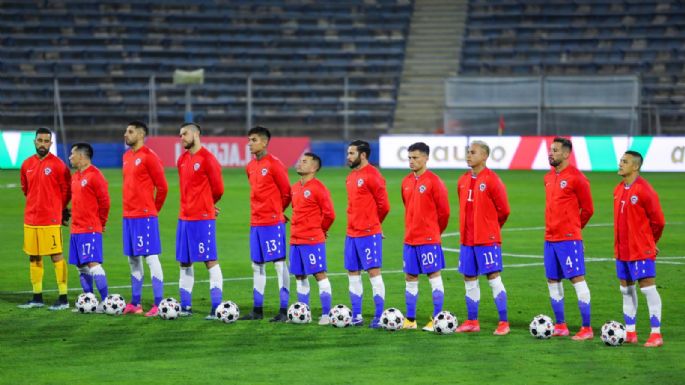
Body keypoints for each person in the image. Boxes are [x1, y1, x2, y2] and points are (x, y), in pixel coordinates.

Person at [455, 141, 511, 335]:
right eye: (468, 152)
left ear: (485, 156)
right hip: (467, 240)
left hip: (486, 239)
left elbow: (504, 210)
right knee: (469, 278)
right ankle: (472, 321)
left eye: (473, 152)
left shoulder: (493, 179)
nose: (468, 155)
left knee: (493, 277)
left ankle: (504, 323)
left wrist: (492, 229)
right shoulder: (462, 180)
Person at [544, 137, 595, 340]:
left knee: (576, 278)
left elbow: (588, 209)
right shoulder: (548, 178)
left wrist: (574, 230)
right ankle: (560, 325)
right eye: (550, 150)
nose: (551, 153)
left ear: (566, 154)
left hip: (568, 239)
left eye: (555, 150)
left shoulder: (577, 178)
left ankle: (587, 328)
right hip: (550, 238)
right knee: (552, 280)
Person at [613, 150, 665, 347]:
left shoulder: (644, 190)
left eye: (625, 162)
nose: (620, 164)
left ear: (635, 166)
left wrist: (651, 243)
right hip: (622, 250)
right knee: (626, 290)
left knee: (648, 289)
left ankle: (655, 334)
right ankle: (630, 332)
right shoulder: (618, 189)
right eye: (620, 161)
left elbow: (659, 221)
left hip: (641, 250)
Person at [240, 126, 292, 322]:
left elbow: (287, 192)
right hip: (256, 223)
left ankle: (284, 310)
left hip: (272, 223)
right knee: (257, 266)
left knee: (279, 265)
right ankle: (257, 310)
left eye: (253, 140)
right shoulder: (250, 166)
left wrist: (278, 212)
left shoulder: (275, 164)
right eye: (249, 140)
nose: (249, 144)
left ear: (264, 142)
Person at [176, 122, 225, 320]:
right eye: (180, 135)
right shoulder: (182, 160)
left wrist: (207, 204)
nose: (181, 138)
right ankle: (185, 306)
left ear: (196, 134)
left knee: (209, 260)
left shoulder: (208, 159)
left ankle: (216, 307)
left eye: (184, 134)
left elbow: (219, 189)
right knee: (185, 262)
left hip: (202, 219)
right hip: (184, 219)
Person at [18, 127, 71, 310]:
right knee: (34, 257)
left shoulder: (58, 165)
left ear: (51, 143)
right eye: (39, 140)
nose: (42, 144)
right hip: (31, 218)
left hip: (51, 219)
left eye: (46, 141)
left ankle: (63, 298)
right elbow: (26, 189)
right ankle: (37, 297)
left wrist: (59, 209)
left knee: (56, 256)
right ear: (34, 142)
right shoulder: (26, 165)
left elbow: (66, 191)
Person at [400, 142, 450, 331]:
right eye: (409, 158)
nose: (411, 161)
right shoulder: (406, 182)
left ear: (426, 158)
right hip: (410, 240)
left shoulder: (434, 181)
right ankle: (410, 319)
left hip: (428, 240)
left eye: (415, 158)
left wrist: (435, 232)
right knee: (410, 278)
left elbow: (444, 213)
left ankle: (436, 319)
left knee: (434, 276)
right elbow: (408, 207)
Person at [122, 121, 169, 317]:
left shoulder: (150, 157)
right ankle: (136, 302)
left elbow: (163, 187)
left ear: (141, 135)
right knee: (133, 259)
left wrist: (152, 211)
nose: (126, 134)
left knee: (150, 258)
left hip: (144, 216)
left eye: (130, 131)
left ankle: (158, 303)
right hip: (129, 216)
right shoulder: (126, 156)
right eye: (126, 131)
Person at [344, 140, 389, 328]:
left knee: (373, 272)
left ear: (363, 155)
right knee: (353, 273)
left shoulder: (373, 175)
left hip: (368, 233)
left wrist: (374, 225)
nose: (348, 157)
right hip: (351, 234)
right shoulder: (351, 177)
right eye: (348, 153)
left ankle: (379, 316)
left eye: (352, 153)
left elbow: (384, 205)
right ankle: (357, 315)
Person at [289, 153, 336, 325]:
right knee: (300, 276)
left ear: (314, 167)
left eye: (304, 162)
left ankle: (325, 314)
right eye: (299, 160)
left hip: (312, 239)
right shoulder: (294, 188)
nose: (299, 164)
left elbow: (330, 214)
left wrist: (321, 230)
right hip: (295, 239)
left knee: (319, 274)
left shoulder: (318, 188)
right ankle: (304, 312)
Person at [68, 143, 110, 308]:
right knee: (81, 266)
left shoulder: (95, 175)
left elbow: (105, 202)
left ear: (81, 155)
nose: (70, 157)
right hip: (76, 229)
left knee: (93, 263)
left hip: (90, 228)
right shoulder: (75, 177)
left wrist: (101, 222)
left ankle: (106, 301)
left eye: (72, 154)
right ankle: (90, 301)